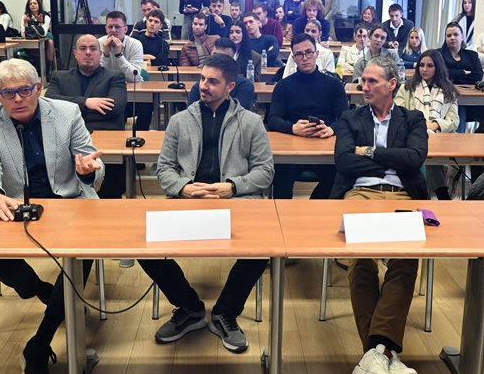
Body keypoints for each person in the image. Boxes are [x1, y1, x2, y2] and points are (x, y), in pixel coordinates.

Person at [0, 59, 104, 374]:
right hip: (17, 206)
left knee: (79, 257)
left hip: (69, 201)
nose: (17, 99)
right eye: (8, 93)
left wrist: (89, 170)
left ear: (38, 89)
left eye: (24, 90)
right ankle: (44, 291)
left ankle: (39, 344)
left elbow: (91, 159)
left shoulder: (66, 113)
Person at [138, 54, 274, 353]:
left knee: (263, 247)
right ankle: (190, 308)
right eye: (202, 79)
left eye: (213, 81)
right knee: (143, 248)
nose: (204, 86)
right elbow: (165, 168)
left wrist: (232, 187)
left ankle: (225, 312)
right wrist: (184, 188)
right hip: (189, 200)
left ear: (230, 87)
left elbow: (265, 171)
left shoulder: (251, 122)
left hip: (236, 201)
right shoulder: (179, 120)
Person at [331, 54, 428, 374]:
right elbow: (344, 162)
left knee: (406, 258)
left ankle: (376, 352)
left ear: (392, 84)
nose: (364, 86)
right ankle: (385, 351)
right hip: (360, 194)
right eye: (363, 81)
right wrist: (390, 161)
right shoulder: (350, 117)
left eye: (372, 81)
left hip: (404, 197)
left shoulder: (413, 119)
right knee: (360, 257)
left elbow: (415, 159)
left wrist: (369, 152)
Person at [45, 34, 127, 199]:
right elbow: (49, 103)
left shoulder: (114, 77)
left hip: (106, 137)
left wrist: (66, 108)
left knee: (112, 190)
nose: (88, 52)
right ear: (75, 53)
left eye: (93, 48)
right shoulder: (59, 77)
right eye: (83, 48)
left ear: (100, 53)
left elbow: (115, 108)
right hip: (66, 137)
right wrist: (86, 102)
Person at [269, 33, 348, 199]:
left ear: (317, 53)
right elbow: (273, 119)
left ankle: (314, 206)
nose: (304, 58)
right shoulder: (283, 85)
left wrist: (331, 129)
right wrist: (292, 128)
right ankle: (283, 214)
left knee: (340, 175)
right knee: (281, 177)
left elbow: (346, 118)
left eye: (308, 52)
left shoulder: (333, 84)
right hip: (291, 145)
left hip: (324, 142)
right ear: (293, 58)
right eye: (299, 54)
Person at [395, 50, 459, 199]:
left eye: (430, 66)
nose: (424, 69)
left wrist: (435, 125)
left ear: (438, 67)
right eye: (421, 65)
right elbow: (399, 115)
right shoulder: (406, 87)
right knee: (424, 149)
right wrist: (420, 126)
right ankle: (441, 192)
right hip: (411, 133)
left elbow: (454, 120)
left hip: (438, 135)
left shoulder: (449, 91)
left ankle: (427, 193)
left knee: (429, 149)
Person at [187, 37, 254, 111]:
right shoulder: (199, 86)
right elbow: (190, 114)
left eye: (222, 57)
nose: (217, 60)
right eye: (215, 55)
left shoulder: (244, 85)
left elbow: (239, 114)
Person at [99, 11, 143, 82]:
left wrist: (119, 55)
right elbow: (96, 76)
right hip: (107, 85)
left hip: (129, 85)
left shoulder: (135, 44)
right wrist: (105, 55)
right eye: (110, 27)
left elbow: (134, 77)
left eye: (117, 27)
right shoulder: (98, 43)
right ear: (106, 29)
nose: (113, 30)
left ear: (125, 29)